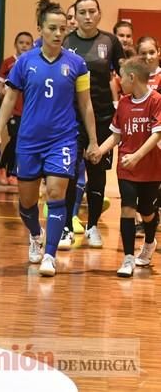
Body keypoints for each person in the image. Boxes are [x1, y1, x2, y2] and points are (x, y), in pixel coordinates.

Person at [0, 0, 99, 277]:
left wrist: (94, 140)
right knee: (26, 203)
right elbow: (10, 97)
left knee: (54, 194)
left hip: (63, 139)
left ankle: (49, 254)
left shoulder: (76, 64)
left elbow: (85, 104)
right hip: (28, 140)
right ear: (40, 29)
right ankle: (35, 236)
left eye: (62, 29)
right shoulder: (24, 63)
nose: (58, 34)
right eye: (52, 28)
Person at [60, 0, 124, 249]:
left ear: (99, 14)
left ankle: (93, 226)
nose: (87, 17)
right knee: (67, 172)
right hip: (70, 118)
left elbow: (126, 74)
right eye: (82, 12)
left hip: (103, 118)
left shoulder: (110, 41)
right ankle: (65, 226)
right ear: (75, 16)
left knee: (97, 175)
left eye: (92, 12)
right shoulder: (65, 41)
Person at [96, 57, 161, 276]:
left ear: (132, 77)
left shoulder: (156, 100)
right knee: (127, 209)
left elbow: (157, 134)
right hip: (126, 168)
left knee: (147, 212)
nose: (118, 81)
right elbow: (116, 135)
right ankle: (128, 258)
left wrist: (138, 156)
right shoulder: (123, 103)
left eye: (121, 76)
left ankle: (150, 242)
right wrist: (99, 151)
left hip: (151, 168)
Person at [0, 31, 34, 186]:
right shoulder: (9, 62)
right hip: (13, 110)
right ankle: (2, 167)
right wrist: (2, 90)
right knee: (16, 138)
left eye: (27, 43)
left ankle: (13, 172)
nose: (24, 45)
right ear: (15, 44)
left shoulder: (33, 62)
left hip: (28, 110)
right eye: (21, 42)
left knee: (22, 140)